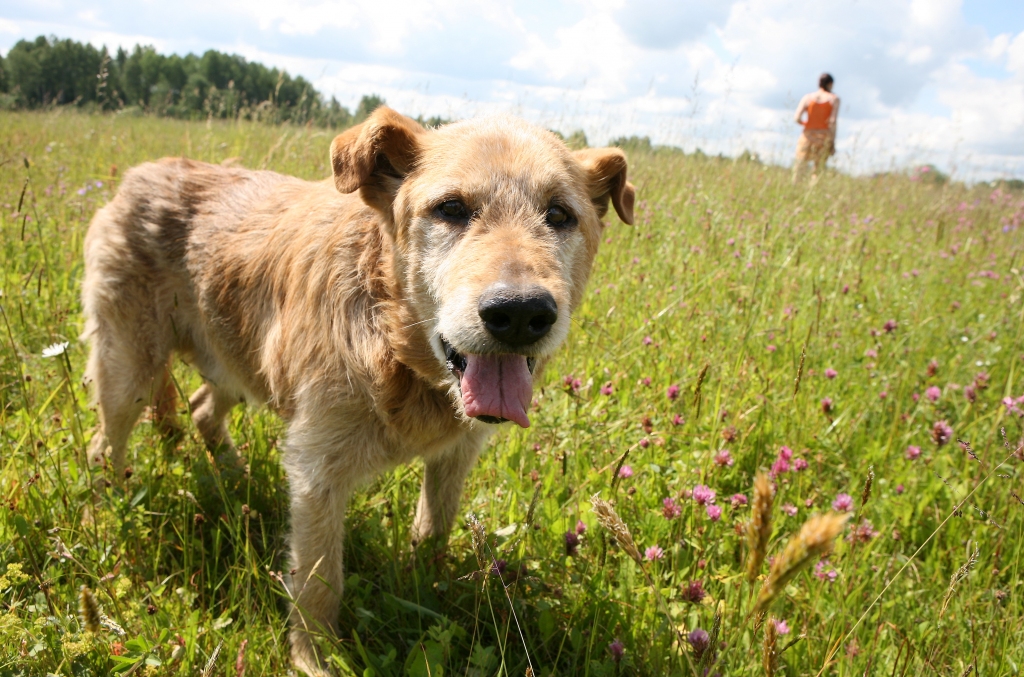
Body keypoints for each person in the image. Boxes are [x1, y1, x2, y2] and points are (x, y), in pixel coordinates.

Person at [793, 73, 839, 183]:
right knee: (818, 168)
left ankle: (795, 187)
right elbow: (832, 122)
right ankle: (812, 191)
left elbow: (797, 118)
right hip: (824, 136)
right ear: (830, 84)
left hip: (807, 135)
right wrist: (832, 142)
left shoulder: (807, 97)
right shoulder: (834, 99)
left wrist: (807, 124)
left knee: (800, 165)